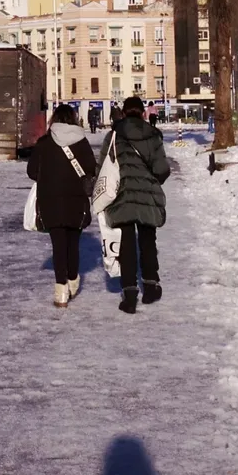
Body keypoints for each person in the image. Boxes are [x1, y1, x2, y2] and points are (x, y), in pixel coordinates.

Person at [104, 94, 171, 314]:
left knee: (125, 244)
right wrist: (151, 182)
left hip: (121, 195)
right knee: (147, 240)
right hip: (147, 196)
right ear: (143, 113)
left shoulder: (113, 136)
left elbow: (103, 169)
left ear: (123, 113)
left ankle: (130, 292)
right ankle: (151, 286)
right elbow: (162, 169)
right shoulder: (153, 135)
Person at [26, 104, 97, 307]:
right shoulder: (82, 142)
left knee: (58, 246)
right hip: (76, 201)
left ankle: (60, 292)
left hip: (51, 201)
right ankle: (73, 281)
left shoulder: (44, 143)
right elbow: (91, 169)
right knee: (73, 244)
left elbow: (32, 172)